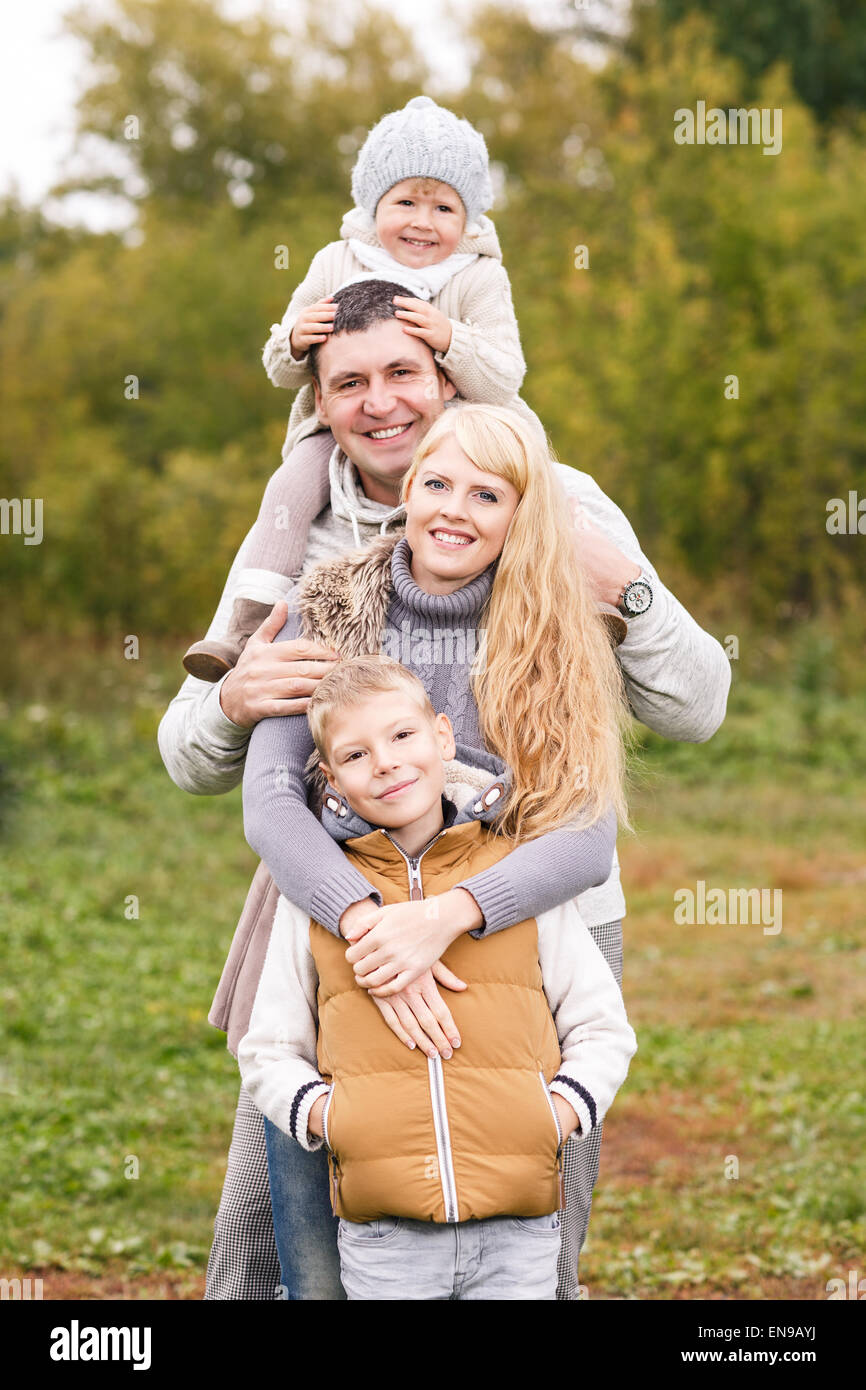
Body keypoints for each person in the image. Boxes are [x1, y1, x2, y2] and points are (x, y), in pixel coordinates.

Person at [156, 276, 731, 1300]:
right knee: (285, 1244)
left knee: (525, 1228)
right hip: (350, 923)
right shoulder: (315, 571)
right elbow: (227, 774)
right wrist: (232, 700)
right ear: (319, 404)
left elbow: (679, 721)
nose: (379, 400)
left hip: (533, 923)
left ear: (445, 373)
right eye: (349, 382)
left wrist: (631, 594)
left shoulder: (556, 532)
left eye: (401, 374)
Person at [180, 94, 627, 680]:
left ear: (469, 219)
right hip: (340, 432)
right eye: (406, 202)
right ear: (373, 205)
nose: (423, 221)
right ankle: (242, 632)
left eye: (444, 207)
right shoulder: (336, 262)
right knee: (287, 492)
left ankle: (588, 601)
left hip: (471, 420)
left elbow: (505, 373)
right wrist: (293, 340)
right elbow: (283, 370)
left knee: (536, 483)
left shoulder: (478, 275)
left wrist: (451, 340)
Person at [238, 654, 638, 1300]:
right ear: (332, 781)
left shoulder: (518, 876)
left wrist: (551, 1115)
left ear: (443, 737)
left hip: (521, 1229)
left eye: (402, 736)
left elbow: (602, 1026)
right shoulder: (313, 902)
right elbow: (266, 1050)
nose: (388, 762)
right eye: (357, 755)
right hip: (385, 1241)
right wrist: (337, 1119)